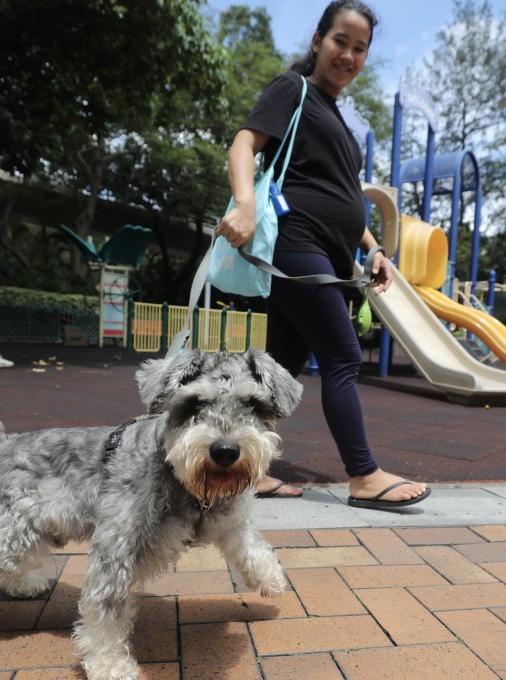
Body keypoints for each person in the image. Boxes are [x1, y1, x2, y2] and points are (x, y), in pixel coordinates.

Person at [216, 0, 430, 508]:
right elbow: (244, 143)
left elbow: (345, 194)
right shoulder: (294, 89)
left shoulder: (339, 118)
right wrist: (245, 204)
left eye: (360, 49)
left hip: (331, 257)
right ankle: (364, 476)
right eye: (340, 41)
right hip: (296, 243)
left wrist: (374, 249)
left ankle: (237, 466)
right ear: (318, 41)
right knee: (342, 356)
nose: (348, 55)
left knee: (281, 368)